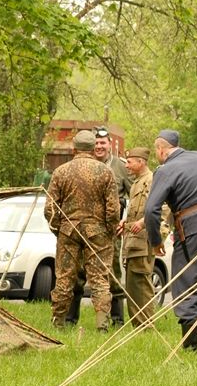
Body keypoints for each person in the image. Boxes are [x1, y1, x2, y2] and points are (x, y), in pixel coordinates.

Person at [143, 129, 197, 351]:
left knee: (187, 287)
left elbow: (151, 210)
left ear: (161, 149)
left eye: (156, 150)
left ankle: (191, 349)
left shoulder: (165, 170)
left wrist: (155, 242)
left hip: (193, 232)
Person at [44, 130, 120, 330]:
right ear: (94, 148)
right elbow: (113, 209)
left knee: (64, 278)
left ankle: (58, 323)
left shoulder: (61, 171)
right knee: (100, 279)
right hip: (98, 232)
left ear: (74, 148)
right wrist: (110, 231)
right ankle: (102, 325)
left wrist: (58, 230)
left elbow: (50, 208)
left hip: (68, 231)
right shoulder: (105, 172)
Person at [93, 126, 132, 325]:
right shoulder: (87, 164)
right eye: (96, 143)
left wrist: (127, 221)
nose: (99, 147)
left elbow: (135, 196)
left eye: (103, 143)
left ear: (110, 144)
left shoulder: (121, 167)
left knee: (114, 272)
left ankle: (117, 319)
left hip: (113, 230)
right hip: (90, 229)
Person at [118, 147, 159, 327]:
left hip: (144, 241)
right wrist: (124, 221)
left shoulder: (152, 181)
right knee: (133, 286)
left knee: (142, 284)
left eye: (129, 162)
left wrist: (143, 223)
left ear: (141, 162)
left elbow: (161, 208)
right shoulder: (136, 183)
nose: (126, 166)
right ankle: (138, 325)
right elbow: (137, 209)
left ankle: (147, 325)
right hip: (133, 242)